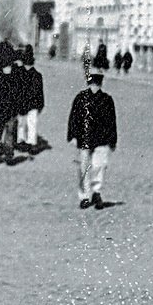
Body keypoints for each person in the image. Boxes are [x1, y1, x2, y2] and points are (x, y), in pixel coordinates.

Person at [66, 69, 117, 209]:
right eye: (93, 83)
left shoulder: (107, 99)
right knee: (84, 168)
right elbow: (74, 118)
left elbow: (112, 121)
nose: (95, 86)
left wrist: (112, 140)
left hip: (101, 140)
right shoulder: (80, 98)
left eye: (97, 83)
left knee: (99, 166)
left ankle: (96, 192)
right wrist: (72, 136)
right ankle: (84, 196)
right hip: (84, 139)